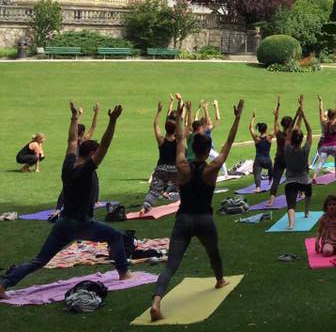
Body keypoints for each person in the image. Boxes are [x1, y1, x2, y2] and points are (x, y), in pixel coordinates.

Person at [0, 102, 129, 297]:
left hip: (64, 223)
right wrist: (112, 122)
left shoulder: (69, 164)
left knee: (39, 261)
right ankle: (124, 274)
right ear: (92, 155)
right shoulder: (86, 170)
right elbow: (105, 145)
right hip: (81, 223)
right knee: (115, 236)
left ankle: (4, 284)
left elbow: (71, 141)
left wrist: (75, 117)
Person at [148, 99, 244, 321]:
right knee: (214, 253)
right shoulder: (211, 169)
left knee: (171, 265)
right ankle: (219, 279)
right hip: (204, 220)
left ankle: (156, 301)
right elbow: (229, 143)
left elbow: (181, 139)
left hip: (183, 219)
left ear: (193, 148)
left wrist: (181, 117)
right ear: (208, 150)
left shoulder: (182, 165)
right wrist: (238, 118)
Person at [141, 101, 180, 213]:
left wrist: (158, 111)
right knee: (183, 188)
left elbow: (155, 125)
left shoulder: (161, 140)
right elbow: (184, 128)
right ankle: (189, 205)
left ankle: (145, 207)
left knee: (154, 191)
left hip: (161, 168)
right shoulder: (178, 140)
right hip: (174, 170)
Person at [284, 98, 313, 230]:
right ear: (301, 139)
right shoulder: (305, 149)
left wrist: (296, 115)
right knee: (308, 195)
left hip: (290, 181)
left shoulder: (287, 148)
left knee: (291, 204)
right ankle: (306, 211)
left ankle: (291, 224)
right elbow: (310, 131)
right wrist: (304, 115)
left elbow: (289, 132)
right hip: (304, 181)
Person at [267, 98, 294, 209]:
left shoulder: (278, 133)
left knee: (276, 180)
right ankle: (301, 193)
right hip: (289, 159)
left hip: (279, 159)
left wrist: (276, 111)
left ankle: (271, 201)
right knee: (294, 177)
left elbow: (276, 122)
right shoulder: (291, 134)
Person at [315, 96, 336, 175]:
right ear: (333, 116)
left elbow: (320, 112)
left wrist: (321, 102)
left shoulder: (323, 122)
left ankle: (314, 176)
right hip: (333, 145)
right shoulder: (334, 124)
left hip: (324, 144)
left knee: (321, 161)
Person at [248, 113, 273, 193]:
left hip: (258, 160)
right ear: (266, 129)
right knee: (271, 167)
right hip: (267, 160)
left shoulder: (256, 138)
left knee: (257, 173)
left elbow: (250, 128)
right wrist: (276, 116)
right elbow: (277, 129)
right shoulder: (269, 137)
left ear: (259, 130)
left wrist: (253, 118)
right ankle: (270, 180)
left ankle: (258, 187)